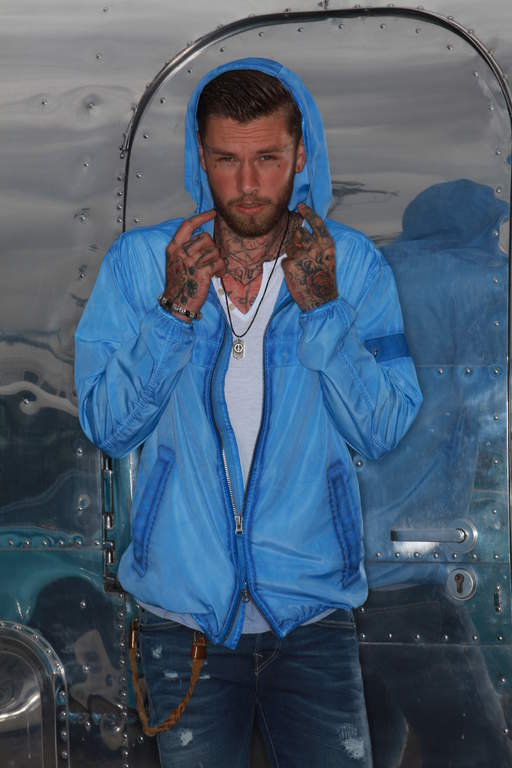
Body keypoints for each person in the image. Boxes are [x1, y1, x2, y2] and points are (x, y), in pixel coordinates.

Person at [74, 57, 422, 768]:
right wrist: (173, 313)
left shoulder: (351, 267)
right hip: (183, 624)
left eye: (268, 157)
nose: (249, 184)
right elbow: (108, 426)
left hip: (313, 617)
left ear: (300, 154)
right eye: (227, 160)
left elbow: (382, 428)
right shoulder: (142, 264)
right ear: (201, 158)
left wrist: (323, 312)